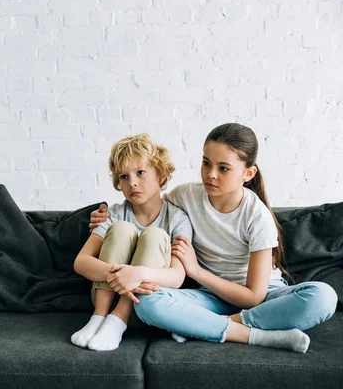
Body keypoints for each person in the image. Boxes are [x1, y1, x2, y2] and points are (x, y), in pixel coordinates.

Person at [89, 123, 338, 353]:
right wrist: (104, 216)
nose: (211, 175)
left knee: (323, 297)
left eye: (223, 168)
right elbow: (148, 207)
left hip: (262, 300)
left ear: (248, 173)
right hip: (208, 298)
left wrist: (196, 272)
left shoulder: (257, 216)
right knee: (145, 300)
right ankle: (248, 333)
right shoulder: (185, 196)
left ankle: (215, 327)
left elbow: (254, 297)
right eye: (206, 163)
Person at [71, 134, 192, 351]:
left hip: (147, 304)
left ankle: (119, 319)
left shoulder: (177, 218)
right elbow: (81, 262)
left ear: (161, 176)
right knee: (121, 229)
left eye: (141, 173)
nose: (132, 182)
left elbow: (177, 276)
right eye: (124, 177)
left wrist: (137, 275)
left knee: (155, 235)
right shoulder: (115, 214)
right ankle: (99, 318)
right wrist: (119, 275)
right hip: (105, 299)